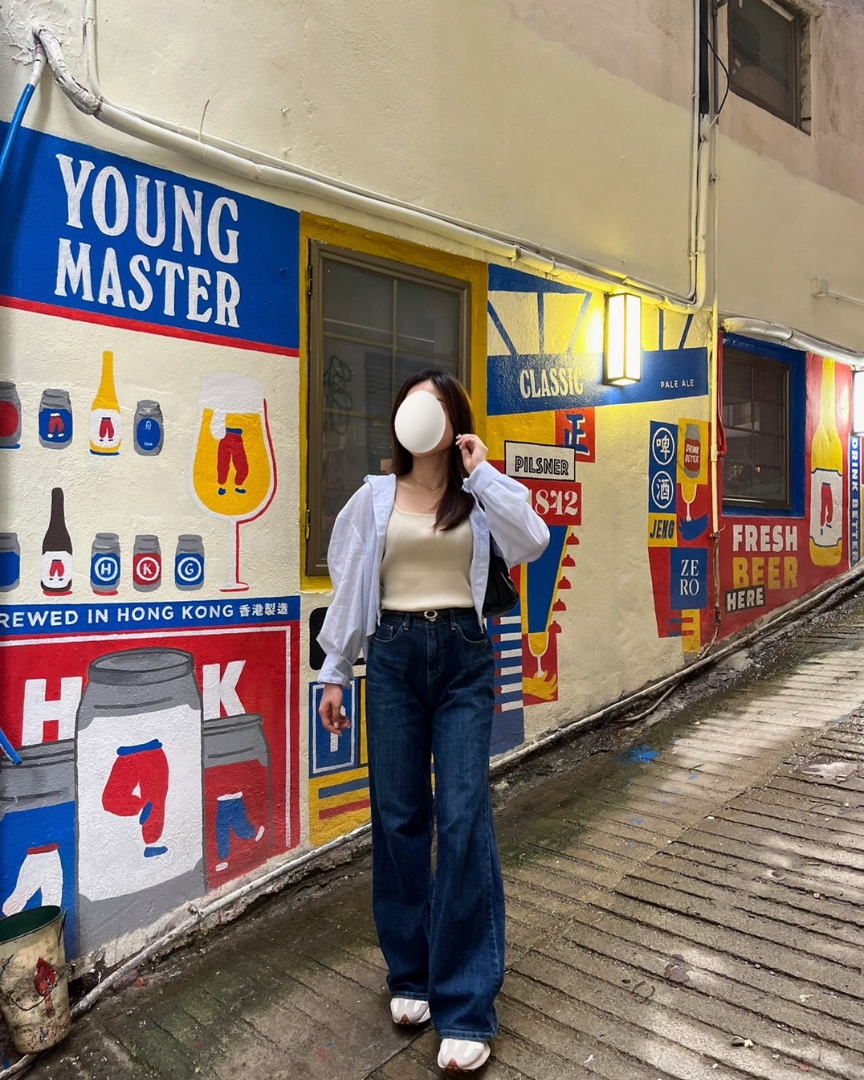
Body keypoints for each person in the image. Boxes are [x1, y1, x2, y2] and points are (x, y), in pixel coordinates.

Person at [317, 369, 549, 1073]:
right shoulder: (373, 497)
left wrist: (483, 474)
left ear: (453, 422)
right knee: (397, 817)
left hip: (464, 657)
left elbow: (532, 540)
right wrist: (334, 670)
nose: (424, 418)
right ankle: (411, 975)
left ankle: (467, 1004)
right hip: (391, 656)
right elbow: (350, 584)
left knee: (463, 815)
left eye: (437, 407)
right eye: (415, 406)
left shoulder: (478, 495)